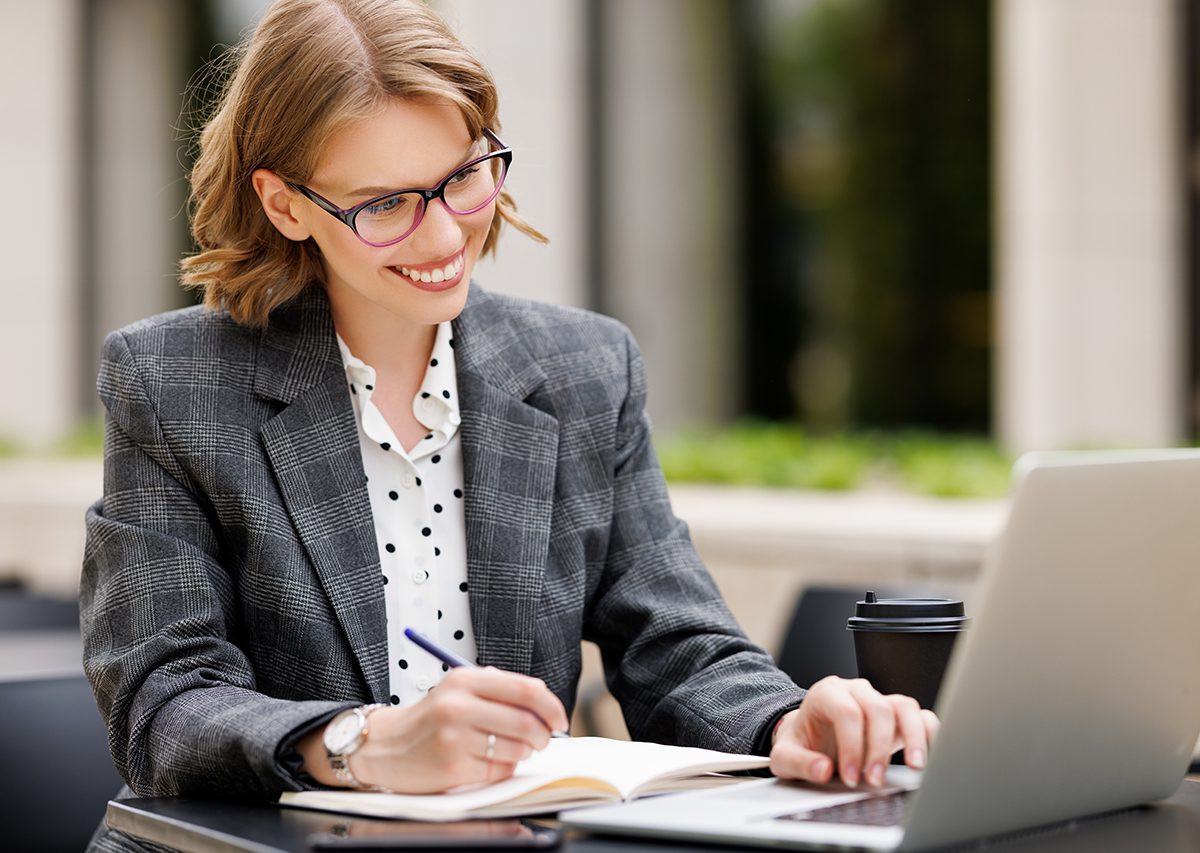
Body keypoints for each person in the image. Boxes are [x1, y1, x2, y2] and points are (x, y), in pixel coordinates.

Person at [81, 0, 937, 848]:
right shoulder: (173, 383)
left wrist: (784, 721)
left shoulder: (583, 369)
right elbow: (165, 701)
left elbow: (675, 642)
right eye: (384, 205)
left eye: (463, 176)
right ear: (285, 204)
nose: (445, 232)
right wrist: (364, 743)